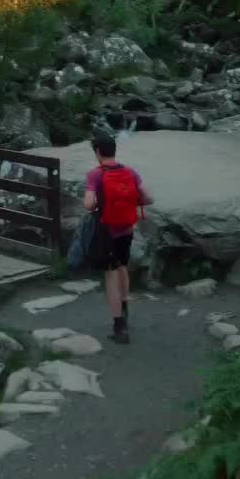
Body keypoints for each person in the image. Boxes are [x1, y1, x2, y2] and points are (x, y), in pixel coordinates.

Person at [83, 134, 152, 344]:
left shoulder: (95, 174)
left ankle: (119, 327)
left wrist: (96, 204)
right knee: (123, 267)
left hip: (107, 231)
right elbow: (148, 198)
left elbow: (88, 204)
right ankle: (125, 309)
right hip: (127, 229)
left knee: (111, 275)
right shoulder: (130, 171)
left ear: (97, 152)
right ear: (114, 150)